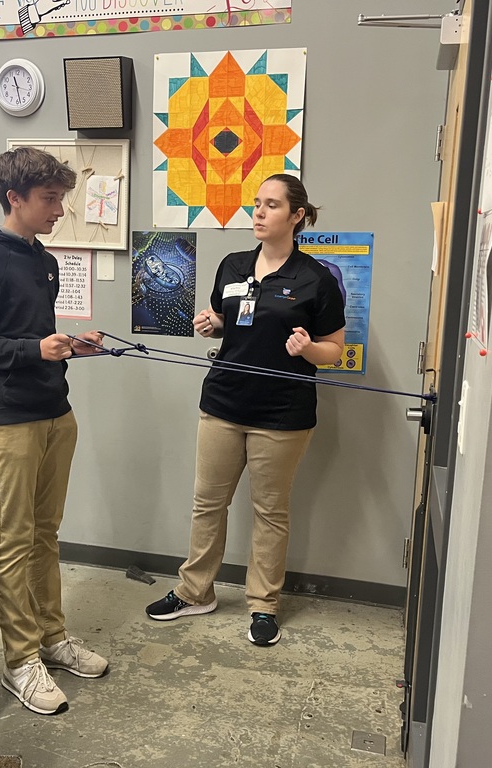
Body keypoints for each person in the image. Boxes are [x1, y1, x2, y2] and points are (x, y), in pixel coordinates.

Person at [145, 174, 345, 646]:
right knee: (206, 504)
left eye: (271, 205)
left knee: (270, 511)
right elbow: (225, 320)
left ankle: (263, 605)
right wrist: (212, 323)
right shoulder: (232, 265)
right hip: (222, 403)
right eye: (257, 204)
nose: (258, 212)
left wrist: (308, 349)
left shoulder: (315, 278)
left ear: (296, 216)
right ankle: (196, 591)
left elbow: (335, 349)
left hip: (282, 413)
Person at [0, 147, 108, 715]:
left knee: (47, 533)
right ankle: (19, 661)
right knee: (15, 539)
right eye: (49, 199)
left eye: (61, 199)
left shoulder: (44, 260)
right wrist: (31, 349)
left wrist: (70, 346)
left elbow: (32, 339)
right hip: (9, 418)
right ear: (14, 198)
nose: (58, 210)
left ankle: (52, 637)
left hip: (54, 412)